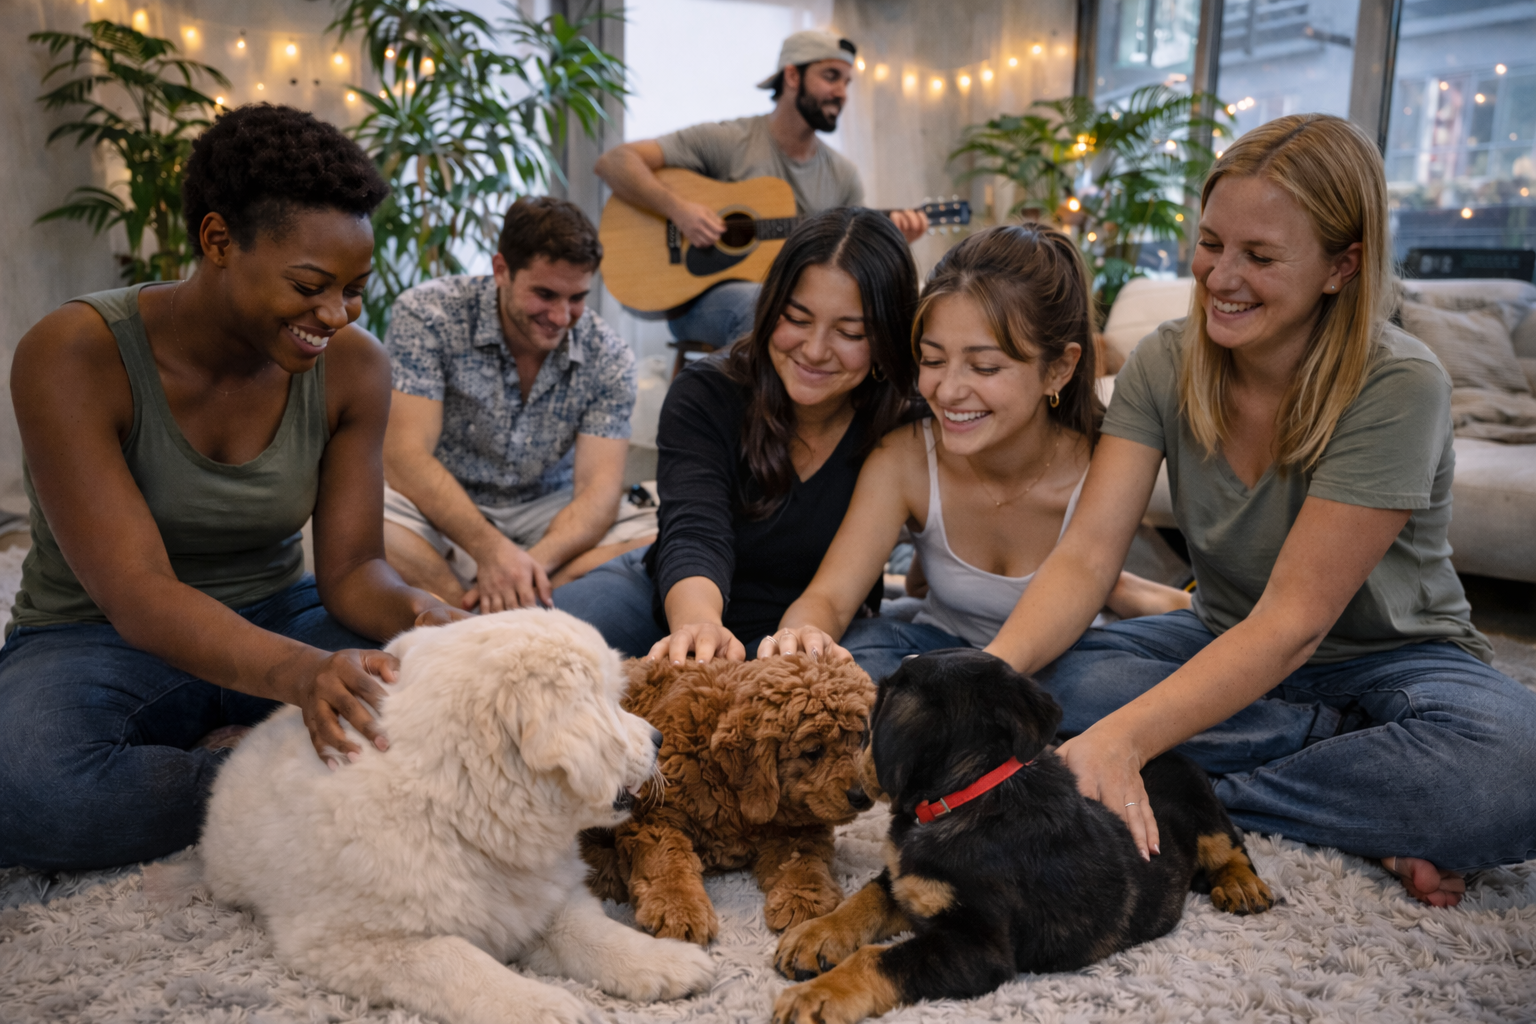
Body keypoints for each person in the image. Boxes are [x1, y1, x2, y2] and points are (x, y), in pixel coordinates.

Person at [978, 114, 1536, 908]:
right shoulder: (1165, 360)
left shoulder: (1399, 383)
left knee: (1514, 773)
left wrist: (1126, 739)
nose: (1220, 276)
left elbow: (1296, 623)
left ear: (1343, 266)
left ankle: (1199, 784)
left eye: (1261, 257)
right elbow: (1087, 557)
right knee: (1061, 680)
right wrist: (995, 678)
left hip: (1395, 659)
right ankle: (1354, 786)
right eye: (1211, 243)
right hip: (1223, 633)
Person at [0, 105, 466, 872]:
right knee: (29, 791)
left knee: (460, 700)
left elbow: (351, 573)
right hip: (95, 638)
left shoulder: (355, 366)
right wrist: (304, 677)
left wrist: (424, 616)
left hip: (282, 613)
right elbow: (137, 591)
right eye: (311, 285)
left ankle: (268, 752)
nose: (336, 315)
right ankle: (274, 769)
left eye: (355, 289)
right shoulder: (75, 353)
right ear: (218, 241)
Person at [768, 225, 1191, 681]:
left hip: (1069, 659)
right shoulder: (905, 458)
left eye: (985, 367)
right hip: (936, 647)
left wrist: (978, 684)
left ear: (1060, 369)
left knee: (1110, 687)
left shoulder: (1105, 462)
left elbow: (1091, 573)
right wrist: (800, 639)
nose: (948, 390)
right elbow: (830, 597)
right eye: (931, 360)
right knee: (861, 657)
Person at [553, 207, 919, 661]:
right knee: (533, 650)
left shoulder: (906, 424)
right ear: (769, 309)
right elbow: (694, 533)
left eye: (849, 332)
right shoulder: (707, 392)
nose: (815, 350)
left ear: (887, 339)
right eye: (797, 319)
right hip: (677, 597)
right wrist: (699, 628)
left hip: (819, 628)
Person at [381, 196, 643, 612]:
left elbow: (598, 492)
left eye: (577, 298)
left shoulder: (608, 354)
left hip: (547, 514)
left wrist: (524, 565)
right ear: (501, 270)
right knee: (357, 517)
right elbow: (403, 458)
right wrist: (490, 550)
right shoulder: (428, 315)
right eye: (545, 294)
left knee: (669, 530)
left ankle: (514, 592)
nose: (561, 316)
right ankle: (463, 610)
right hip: (442, 507)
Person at [593, 29, 928, 348]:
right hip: (698, 302)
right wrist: (679, 210)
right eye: (830, 76)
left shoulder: (843, 175)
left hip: (796, 302)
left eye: (846, 82)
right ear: (793, 77)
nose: (842, 92)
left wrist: (889, 241)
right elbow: (614, 162)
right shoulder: (728, 141)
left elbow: (848, 260)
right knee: (766, 308)